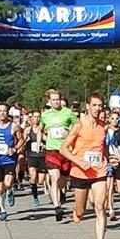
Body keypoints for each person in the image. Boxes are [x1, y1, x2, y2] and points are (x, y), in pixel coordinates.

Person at [60, 93, 110, 239]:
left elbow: (102, 147)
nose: (97, 108)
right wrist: (79, 161)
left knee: (100, 207)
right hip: (80, 172)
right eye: (94, 105)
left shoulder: (102, 126)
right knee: (80, 211)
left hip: (99, 172)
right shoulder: (78, 125)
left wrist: (109, 158)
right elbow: (63, 149)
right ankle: (76, 211)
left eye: (100, 105)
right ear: (87, 106)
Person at [41, 90, 78, 221]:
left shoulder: (68, 112)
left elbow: (77, 126)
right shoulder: (45, 115)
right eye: (53, 100)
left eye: (57, 99)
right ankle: (57, 207)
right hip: (51, 150)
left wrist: (69, 134)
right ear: (49, 101)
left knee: (63, 180)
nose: (56, 102)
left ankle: (60, 193)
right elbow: (41, 130)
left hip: (65, 150)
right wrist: (43, 140)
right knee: (54, 177)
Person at [0, 106, 23, 221]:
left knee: (7, 183)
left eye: (4, 111)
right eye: (0, 111)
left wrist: (14, 149)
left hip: (9, 159)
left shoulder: (13, 126)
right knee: (0, 187)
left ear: (7, 113)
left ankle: (10, 191)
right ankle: (2, 209)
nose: (2, 113)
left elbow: (21, 139)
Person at [104, 110, 120, 221]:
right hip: (108, 160)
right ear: (109, 119)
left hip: (119, 159)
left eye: (117, 119)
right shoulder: (105, 130)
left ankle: (106, 202)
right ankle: (111, 210)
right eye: (112, 118)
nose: (114, 121)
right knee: (109, 187)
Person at [24, 110, 45, 207]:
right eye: (35, 117)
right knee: (33, 177)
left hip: (42, 156)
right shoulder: (28, 130)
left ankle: (44, 187)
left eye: (38, 117)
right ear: (31, 119)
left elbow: (49, 141)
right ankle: (35, 198)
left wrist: (44, 144)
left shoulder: (44, 130)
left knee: (40, 180)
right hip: (31, 155)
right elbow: (23, 141)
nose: (36, 119)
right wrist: (25, 142)